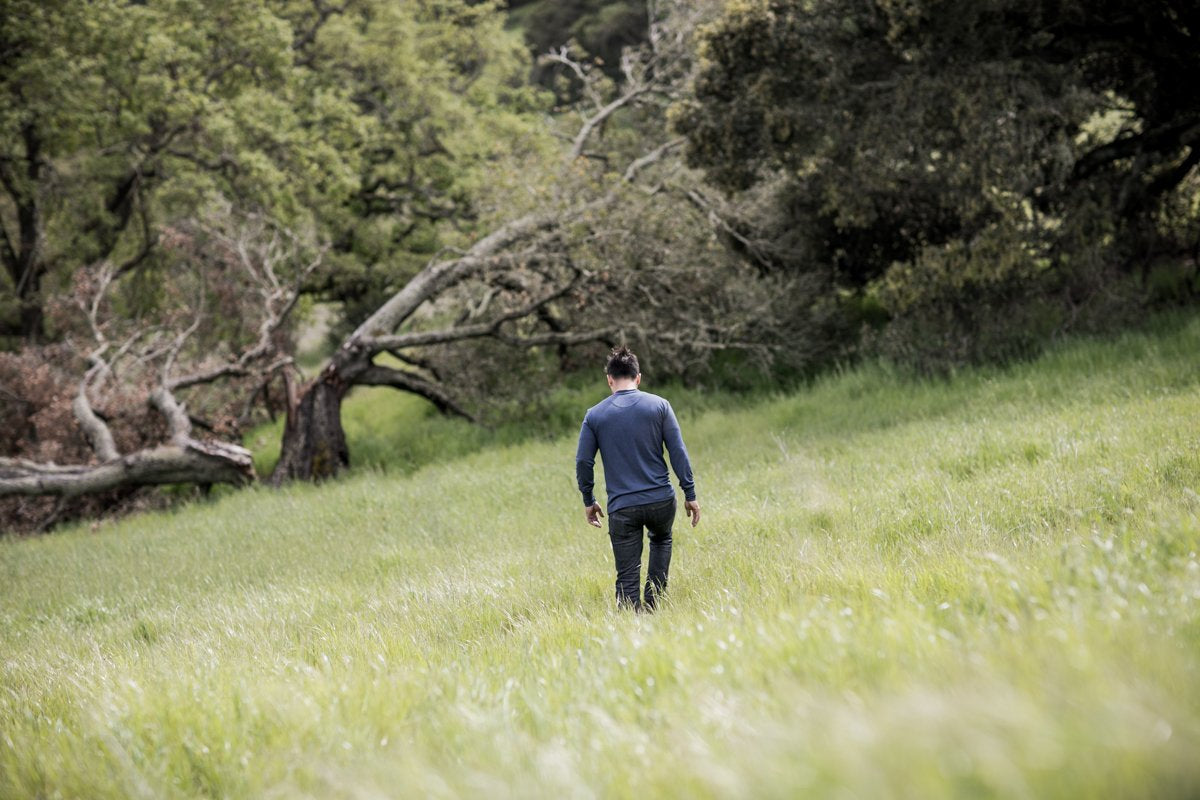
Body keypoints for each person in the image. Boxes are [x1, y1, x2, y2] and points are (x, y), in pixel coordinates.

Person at [575, 345, 700, 611]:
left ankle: (632, 619)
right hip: (661, 500)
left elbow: (584, 461)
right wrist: (690, 494)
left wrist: (589, 500)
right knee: (661, 540)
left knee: (627, 574)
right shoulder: (660, 406)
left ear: (609, 379)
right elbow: (678, 452)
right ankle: (654, 606)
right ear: (638, 377)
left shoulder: (595, 415)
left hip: (622, 507)